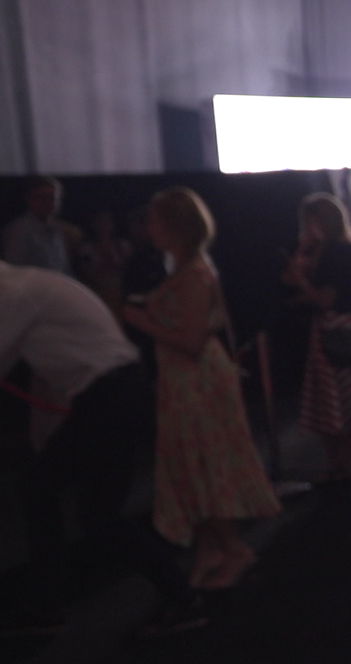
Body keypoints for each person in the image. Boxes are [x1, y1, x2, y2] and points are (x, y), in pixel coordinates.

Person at [0, 231, 203, 635]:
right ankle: (46, 604)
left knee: (99, 514)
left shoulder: (11, 294)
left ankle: (183, 598)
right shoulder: (20, 287)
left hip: (109, 394)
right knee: (40, 489)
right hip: (106, 393)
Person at [119, 188, 279, 589]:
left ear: (173, 225)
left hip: (197, 379)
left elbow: (191, 341)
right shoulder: (183, 266)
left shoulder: (193, 274)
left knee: (205, 462)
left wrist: (140, 321)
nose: (149, 227)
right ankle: (209, 547)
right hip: (183, 378)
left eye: (155, 220)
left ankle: (234, 548)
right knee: (188, 464)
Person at [283, 192, 351, 492]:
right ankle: (350, 470)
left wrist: (302, 280)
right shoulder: (338, 249)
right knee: (341, 410)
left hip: (338, 338)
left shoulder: (337, 253)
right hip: (341, 337)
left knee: (347, 409)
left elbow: (324, 299)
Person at [2, 176, 79, 275]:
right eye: (42, 198)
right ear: (30, 200)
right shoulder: (19, 230)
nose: (48, 203)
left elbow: (62, 266)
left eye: (52, 198)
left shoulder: (55, 229)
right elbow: (14, 269)